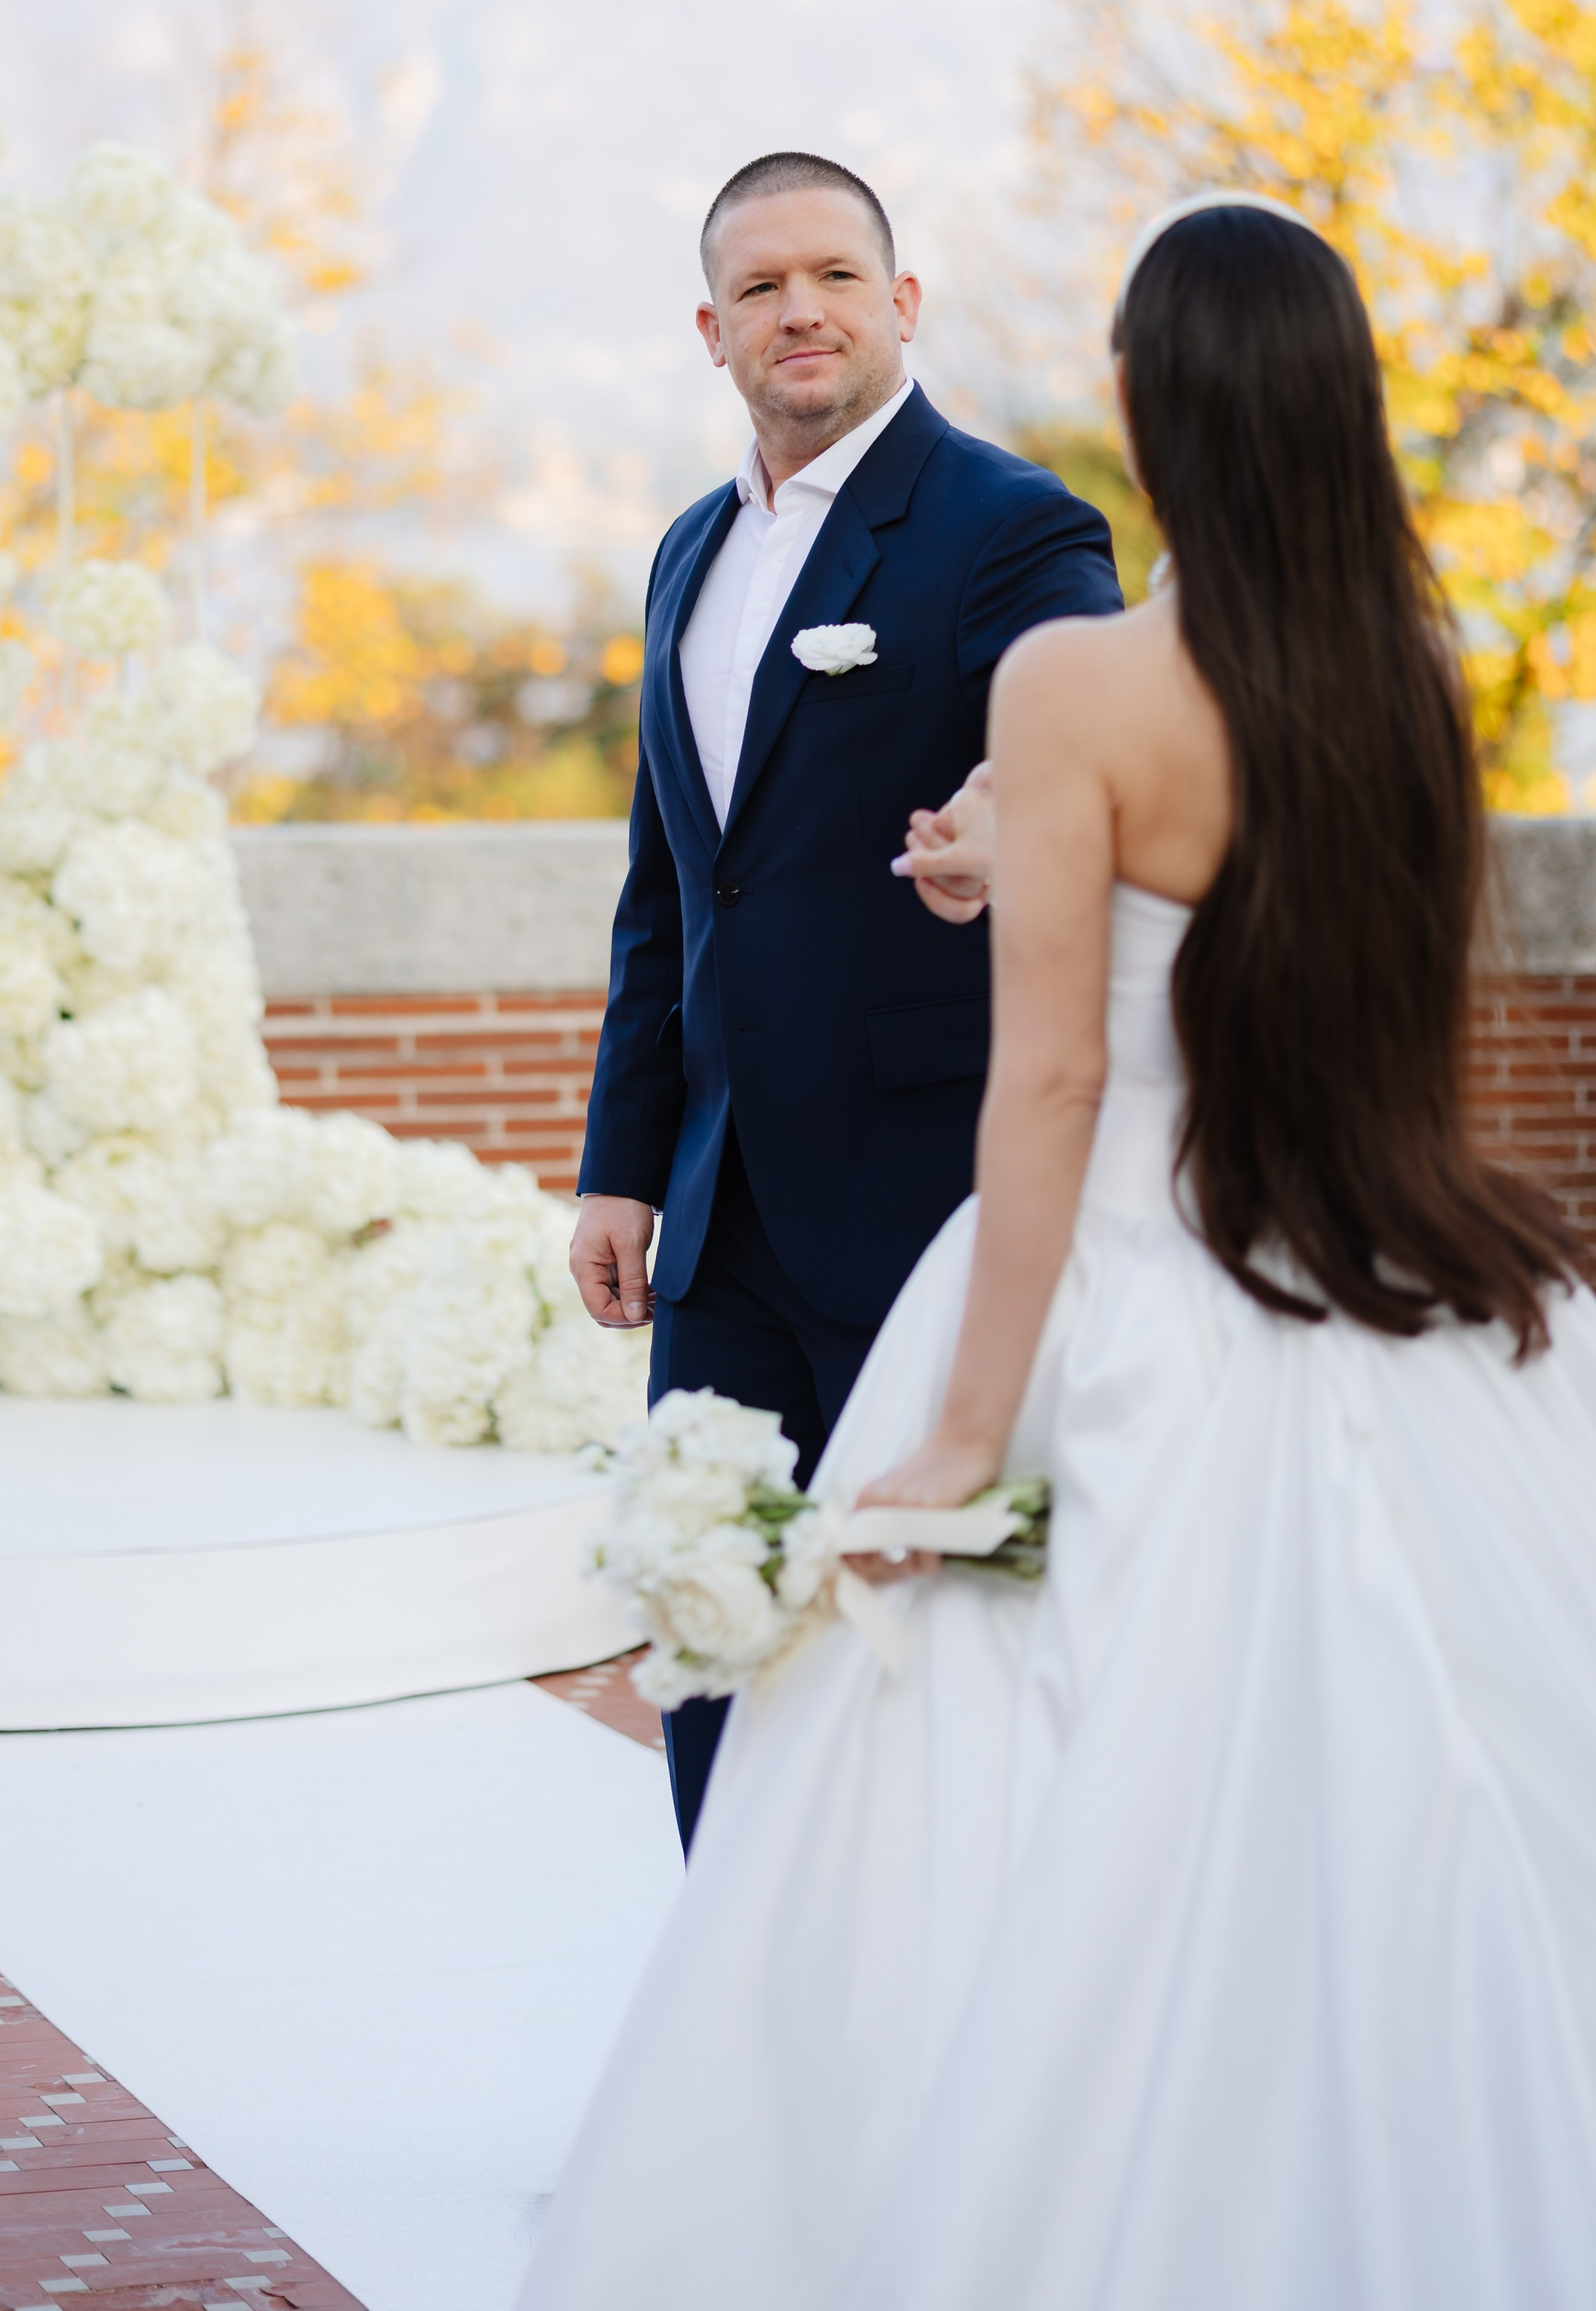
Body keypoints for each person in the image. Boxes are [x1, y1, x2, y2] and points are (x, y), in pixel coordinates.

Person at [522, 196, 1596, 2309]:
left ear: (1143, 405)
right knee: (1415, 1780)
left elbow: (1055, 1096)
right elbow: (1359, 1004)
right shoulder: (1412, 679)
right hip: (1372, 1266)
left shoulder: (1079, 672)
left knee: (976, 1798)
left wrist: (970, 1438)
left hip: (1125, 1291)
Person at [569, 151, 1122, 1845]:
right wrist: (620, 1158)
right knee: (711, 1612)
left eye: (828, 276)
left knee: (944, 1627)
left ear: (899, 304)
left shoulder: (1007, 525)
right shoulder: (682, 556)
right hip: (718, 1219)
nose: (793, 310)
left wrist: (994, 824)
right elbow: (673, 883)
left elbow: (1083, 776)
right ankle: (731, 1999)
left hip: (932, 1210)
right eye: (756, 288)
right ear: (708, 331)